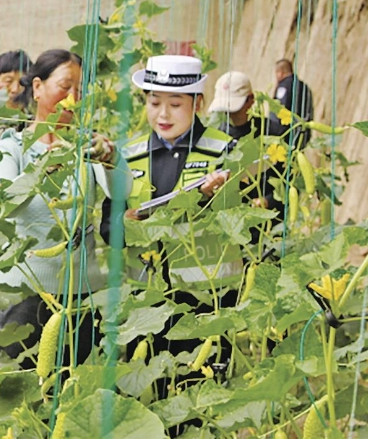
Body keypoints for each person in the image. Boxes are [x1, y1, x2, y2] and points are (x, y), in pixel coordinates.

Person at [115, 55, 242, 419]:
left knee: (202, 406)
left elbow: (240, 223)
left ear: (197, 103)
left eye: (175, 104)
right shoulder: (130, 155)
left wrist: (220, 195)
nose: (163, 115)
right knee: (152, 405)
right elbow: (110, 229)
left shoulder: (224, 151)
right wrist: (124, 222)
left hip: (208, 306)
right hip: (147, 306)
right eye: (154, 103)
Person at [0, 49, 115, 369]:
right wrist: (42, 170)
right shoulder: (9, 147)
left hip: (79, 295)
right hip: (21, 293)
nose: (73, 99)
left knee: (72, 392)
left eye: (80, 91)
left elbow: (124, 194)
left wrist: (112, 160)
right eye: (65, 87)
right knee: (13, 390)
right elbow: (7, 206)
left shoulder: (87, 146)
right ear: (38, 87)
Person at [208, 70, 282, 215]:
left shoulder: (272, 133)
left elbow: (288, 179)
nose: (230, 113)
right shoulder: (216, 137)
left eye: (233, 107)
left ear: (251, 100)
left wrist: (268, 201)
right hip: (230, 218)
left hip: (268, 220)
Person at [267, 58, 313, 147]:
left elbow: (278, 109)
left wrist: (273, 132)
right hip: (302, 133)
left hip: (286, 135)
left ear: (280, 72)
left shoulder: (283, 87)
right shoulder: (305, 87)